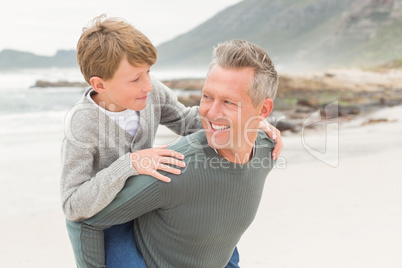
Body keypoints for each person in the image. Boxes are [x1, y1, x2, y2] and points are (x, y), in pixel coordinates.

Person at [61, 15, 282, 267]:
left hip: (151, 204)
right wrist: (129, 164)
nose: (148, 85)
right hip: (109, 217)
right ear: (99, 84)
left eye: (148, 72)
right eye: (136, 79)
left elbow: (185, 120)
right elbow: (72, 206)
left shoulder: (149, 90)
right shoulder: (81, 125)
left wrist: (250, 121)